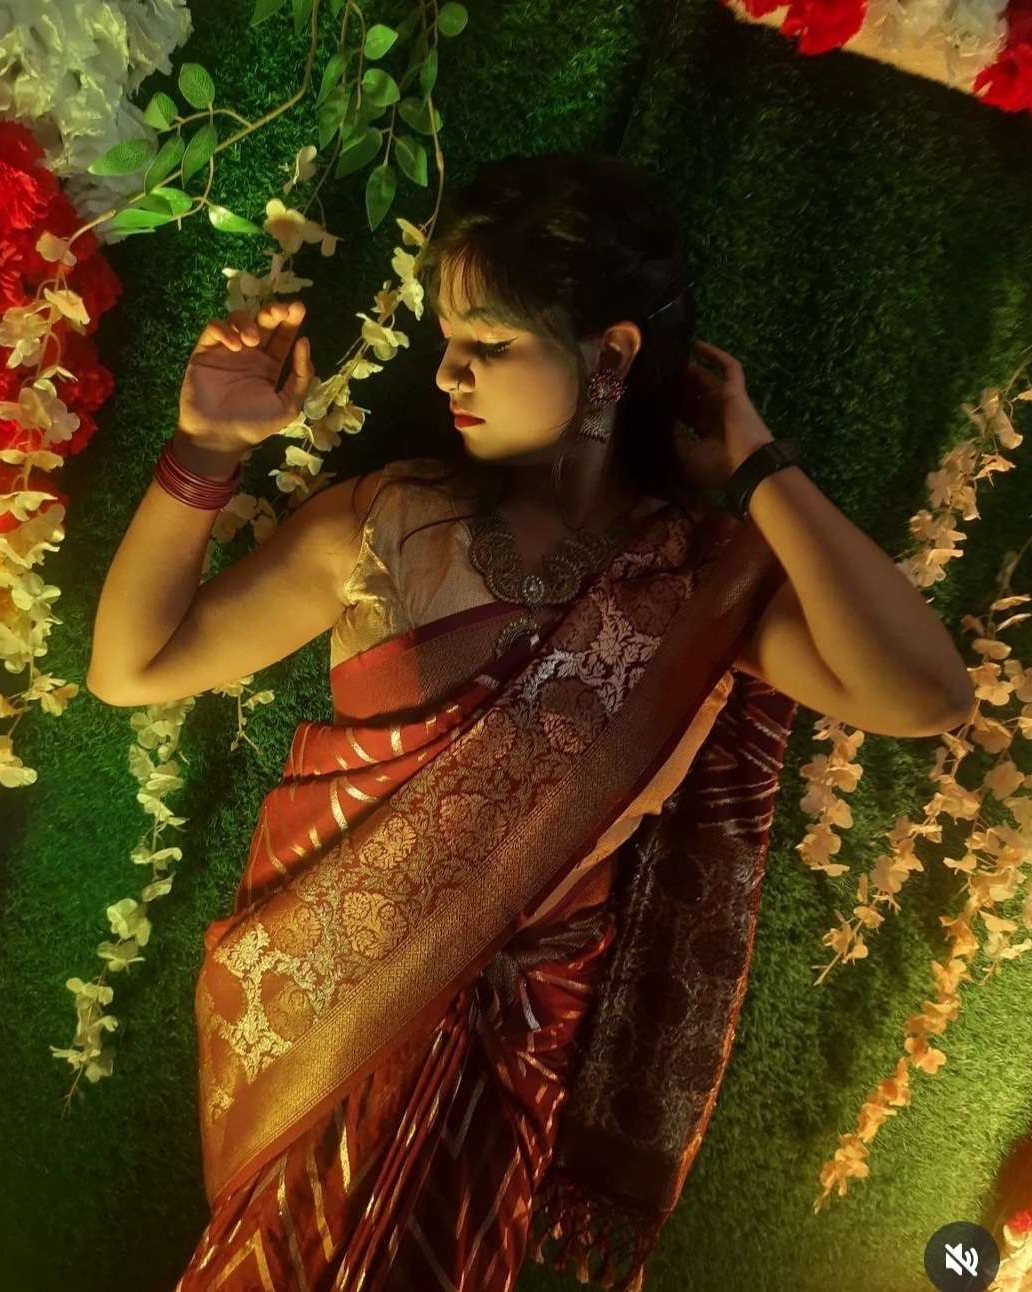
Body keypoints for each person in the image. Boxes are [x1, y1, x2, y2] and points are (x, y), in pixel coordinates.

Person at [164, 152, 802, 1291]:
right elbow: (136, 665)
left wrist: (760, 472)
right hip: (321, 1034)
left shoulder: (695, 585)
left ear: (612, 357)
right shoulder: (392, 520)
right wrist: (205, 450)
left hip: (505, 1067)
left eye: (491, 341)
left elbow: (925, 695)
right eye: (447, 335)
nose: (448, 369)